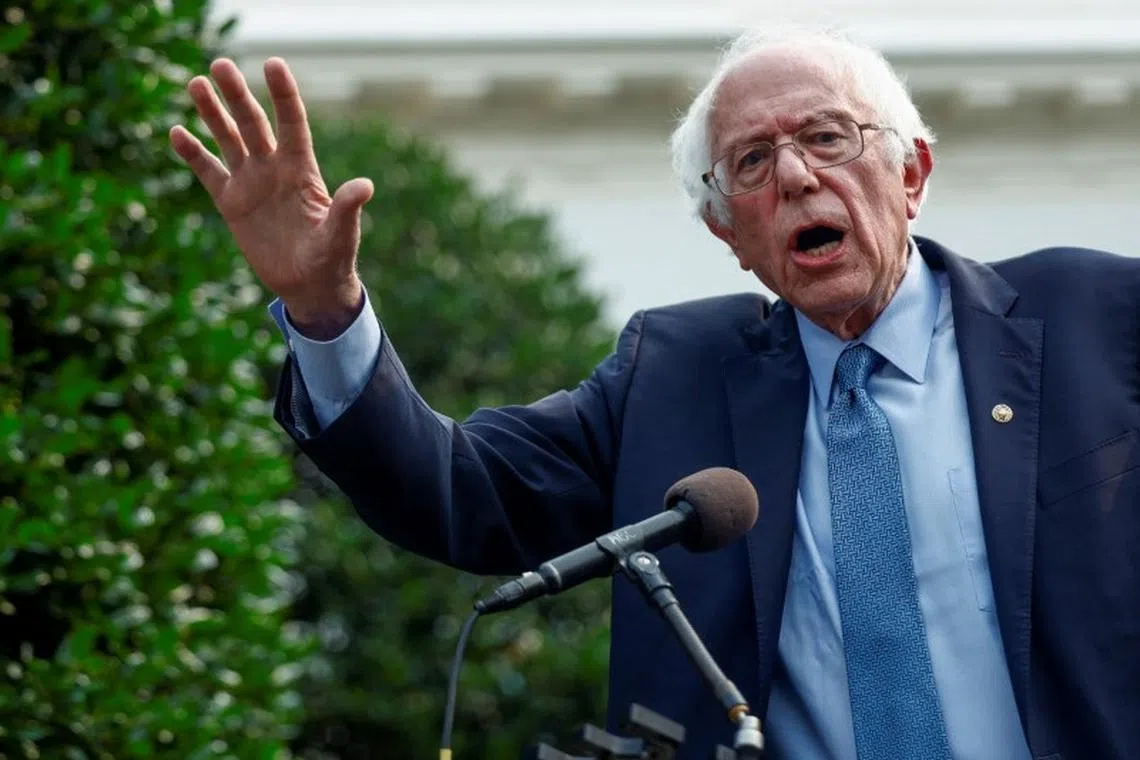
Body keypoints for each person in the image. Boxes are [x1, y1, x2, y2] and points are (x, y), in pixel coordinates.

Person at [170, 26, 1140, 760]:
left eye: (828, 137)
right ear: (728, 232)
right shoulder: (672, 372)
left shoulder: (1097, 314)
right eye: (751, 164)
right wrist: (325, 307)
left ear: (912, 172)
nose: (796, 175)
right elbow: (456, 489)